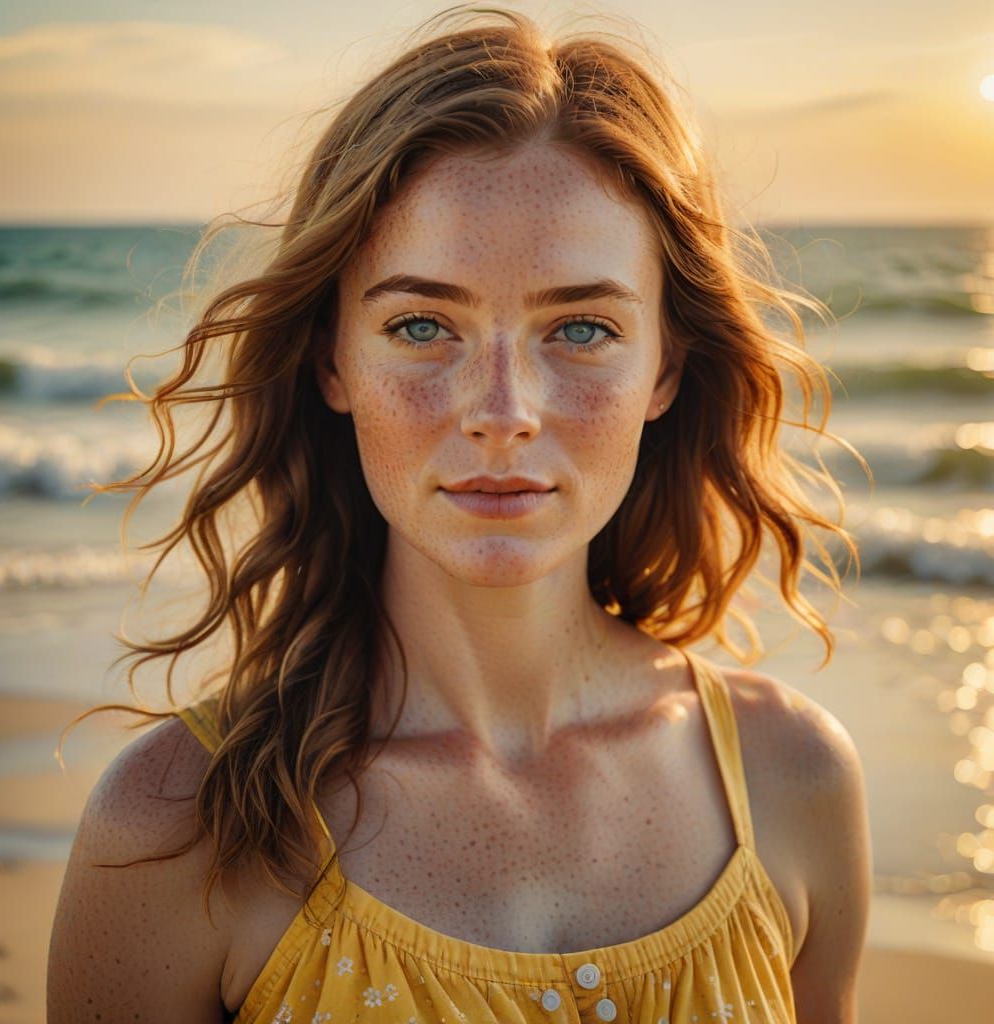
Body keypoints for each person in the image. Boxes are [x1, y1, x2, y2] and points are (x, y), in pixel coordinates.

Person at [47, 5, 873, 1021]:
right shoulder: (179, 828)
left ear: (667, 365)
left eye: (579, 327)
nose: (501, 413)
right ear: (331, 358)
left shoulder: (794, 782)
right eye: (422, 324)